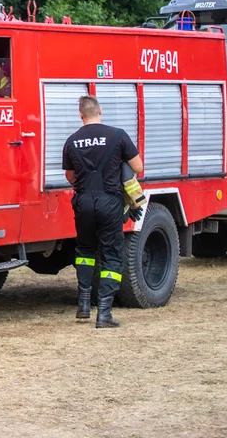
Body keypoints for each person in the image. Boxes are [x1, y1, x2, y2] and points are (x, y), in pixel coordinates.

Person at [62, 95, 143, 328]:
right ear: (100, 111)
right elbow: (137, 167)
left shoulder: (72, 140)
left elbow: (70, 176)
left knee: (85, 251)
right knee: (112, 254)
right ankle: (104, 312)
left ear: (80, 115)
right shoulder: (118, 136)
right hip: (110, 202)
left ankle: (84, 304)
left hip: (84, 202)